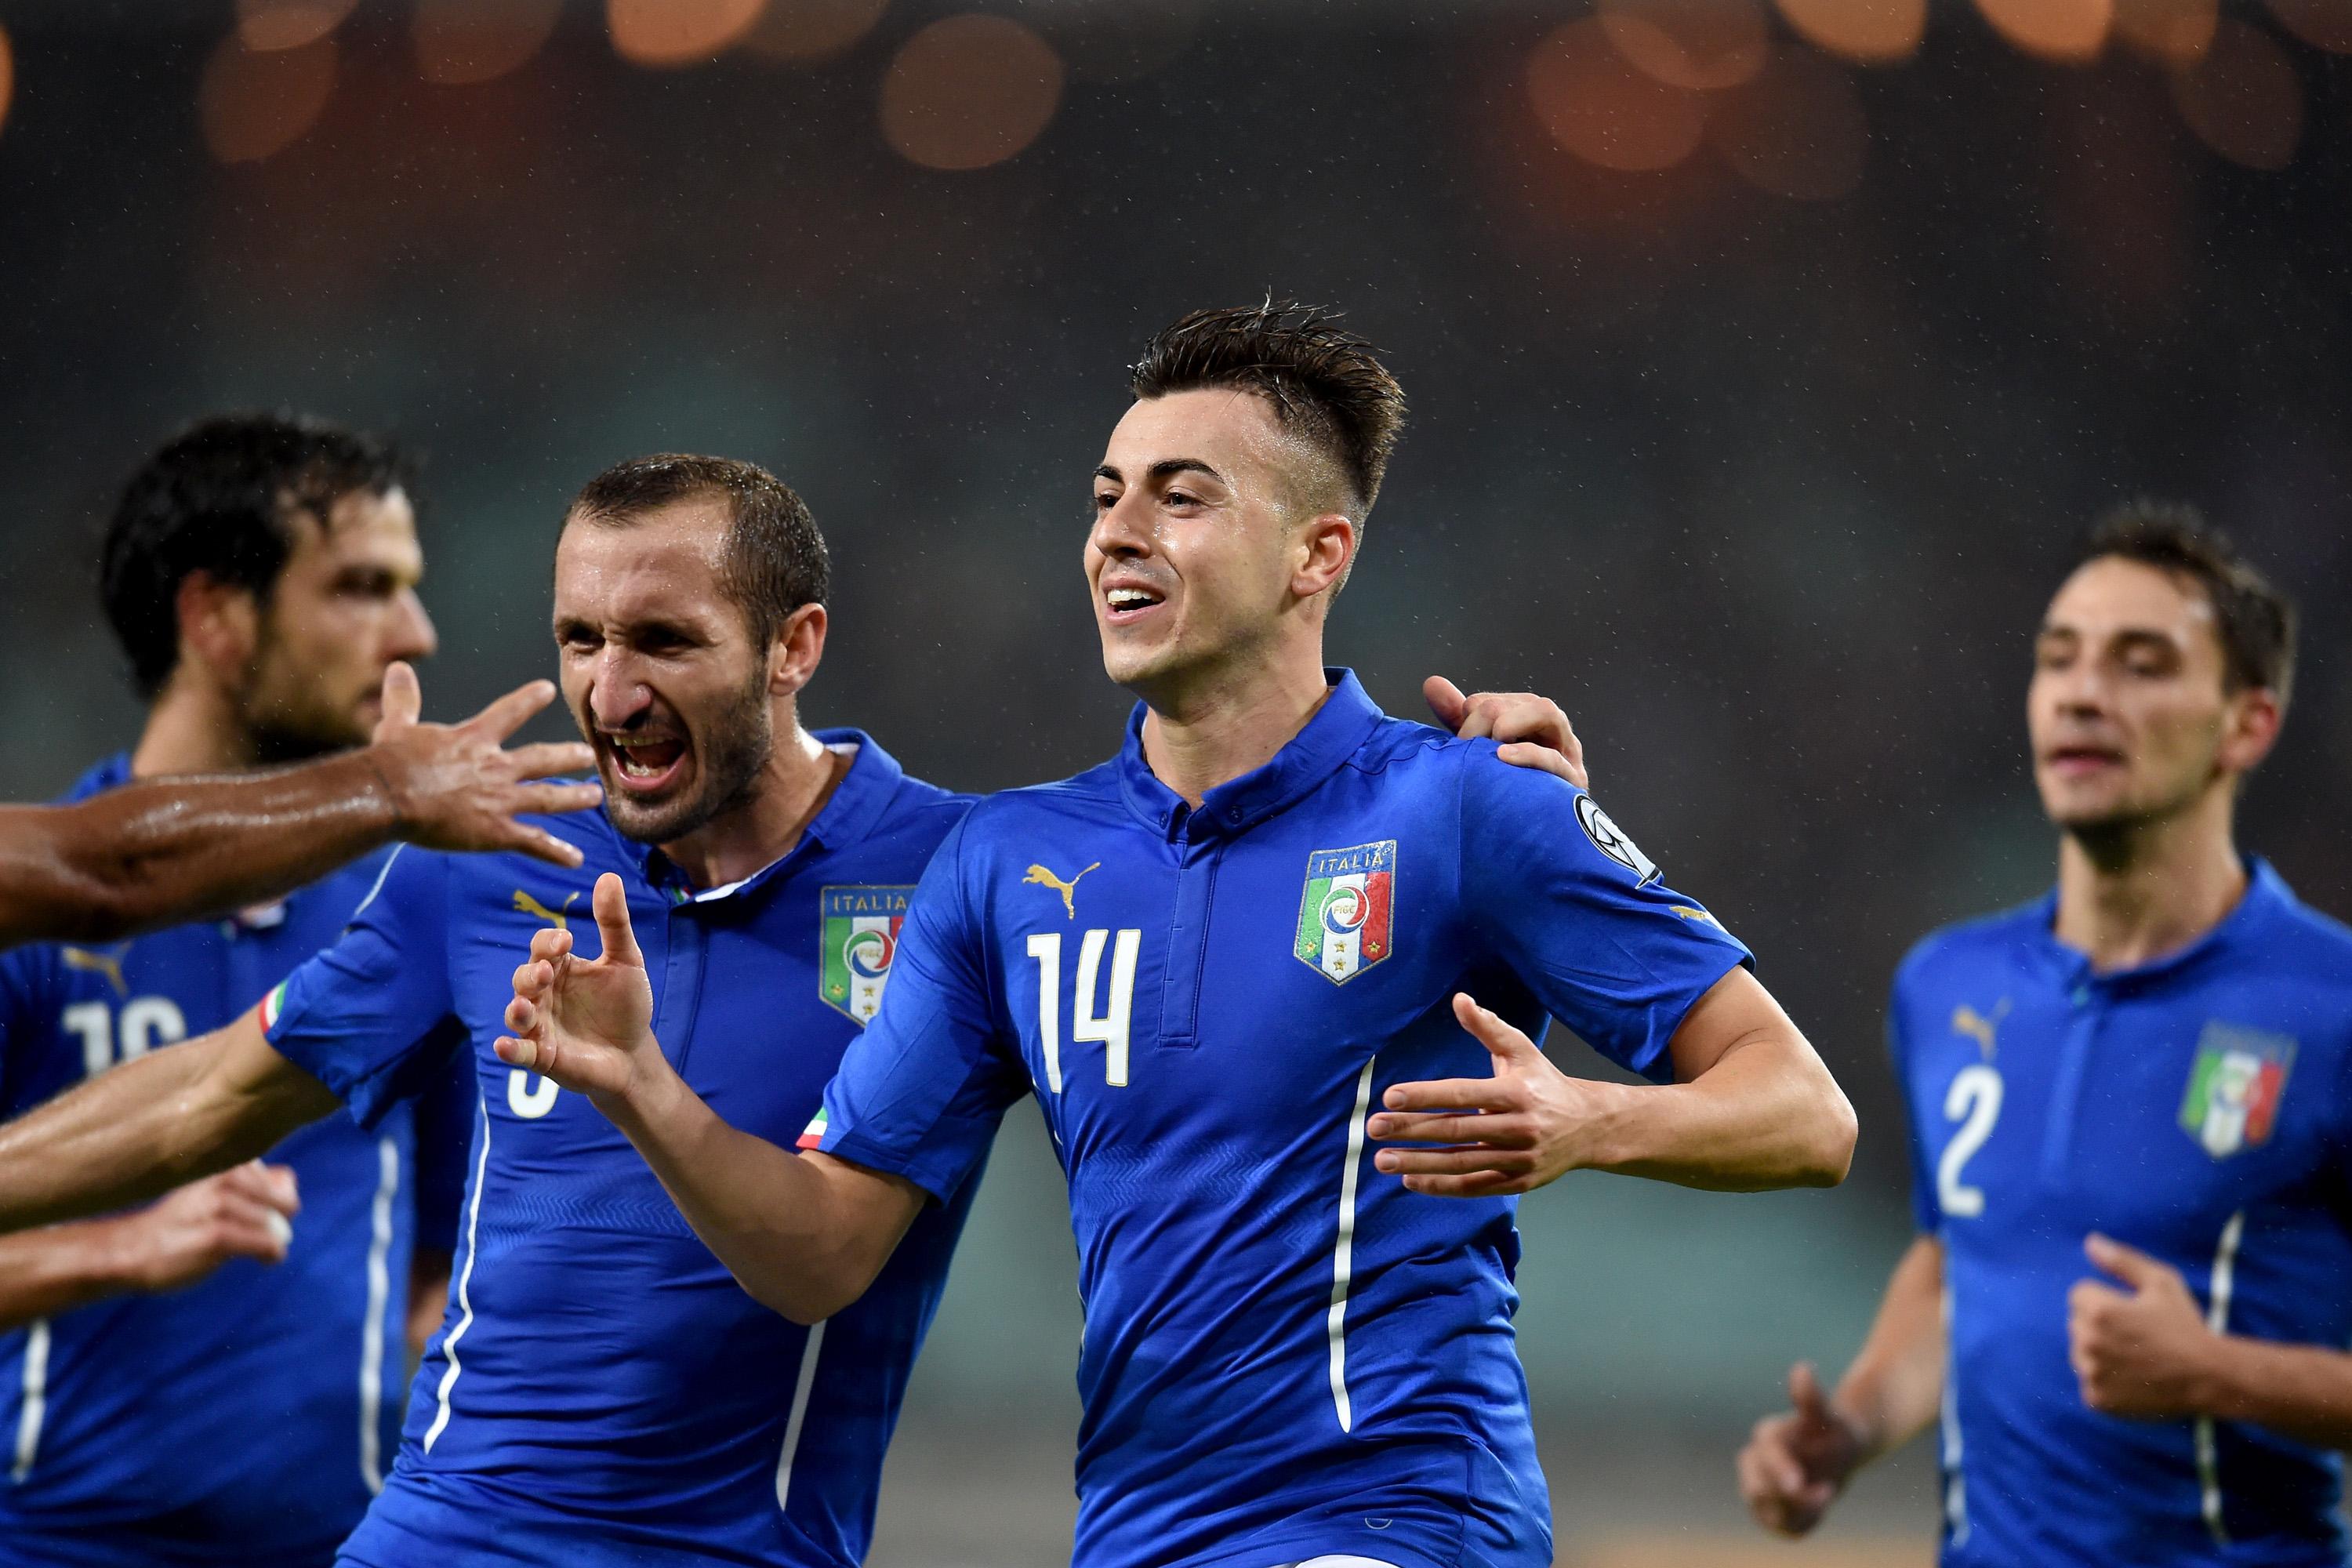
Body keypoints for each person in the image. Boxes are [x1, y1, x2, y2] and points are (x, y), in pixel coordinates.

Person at [0, 443, 1597, 1566]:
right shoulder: (492, 860)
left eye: (663, 639)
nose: (610, 688)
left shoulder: (970, 876)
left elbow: (1260, 979)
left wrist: (1477, 817)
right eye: (580, 639)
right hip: (435, 1531)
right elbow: (219, 1090)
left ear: (794, 647)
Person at [496, 303, 1858, 1568]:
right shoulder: (1010, 863)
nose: (1115, 535)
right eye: (1104, 499)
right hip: (1139, 1531)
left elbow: (1806, 1114)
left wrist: (1587, 1123)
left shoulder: (1466, 804)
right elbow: (821, 1257)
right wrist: (645, 1091)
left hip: (1394, 1514)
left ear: (1319, 553)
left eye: (1180, 497)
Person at [1735, 507, 2352, 1566]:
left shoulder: (2329, 1006)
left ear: (2247, 725)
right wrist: (1858, 1426)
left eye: (2141, 663)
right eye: (2057, 660)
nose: (2082, 693)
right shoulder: (1948, 986)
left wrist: (2213, 1374)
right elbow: (1958, 1263)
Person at [0, 414, 481, 1566]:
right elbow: (111, 875)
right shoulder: (33, 925)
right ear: (215, 615)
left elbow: (442, 1268)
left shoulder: (410, 922)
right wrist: (115, 1249)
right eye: (361, 587)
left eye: (410, 587)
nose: (415, 632)